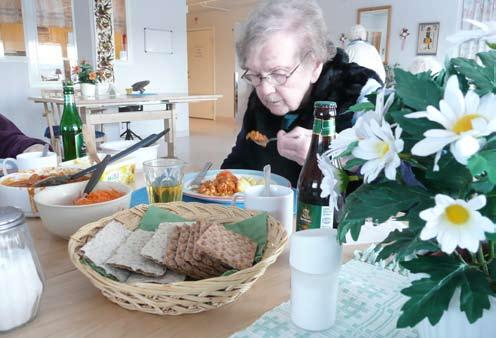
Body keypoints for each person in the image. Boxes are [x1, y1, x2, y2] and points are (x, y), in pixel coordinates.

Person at [221, 0, 381, 187]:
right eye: (255, 75)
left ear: (314, 66)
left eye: (279, 73)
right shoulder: (259, 96)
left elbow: (397, 182)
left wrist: (332, 153)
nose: (265, 90)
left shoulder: (360, 91)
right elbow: (242, 157)